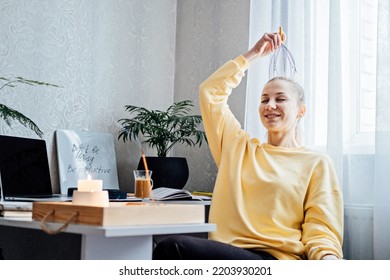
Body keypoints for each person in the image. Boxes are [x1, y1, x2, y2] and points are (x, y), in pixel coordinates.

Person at [153, 31, 343, 260]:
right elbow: (210, 93)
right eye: (264, 99)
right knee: (169, 247)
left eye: (280, 99)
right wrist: (253, 54)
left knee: (172, 247)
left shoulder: (316, 163)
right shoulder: (237, 147)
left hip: (277, 260)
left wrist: (328, 258)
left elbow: (321, 227)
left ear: (301, 111)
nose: (270, 105)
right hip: (229, 253)